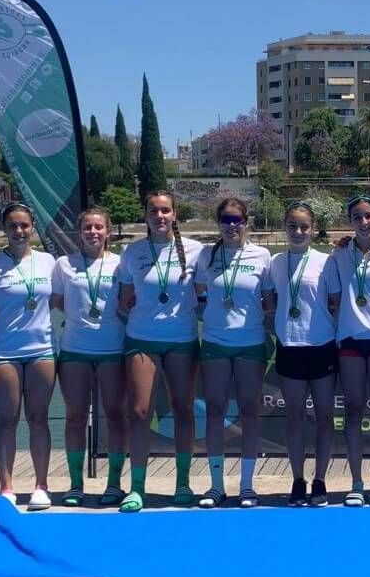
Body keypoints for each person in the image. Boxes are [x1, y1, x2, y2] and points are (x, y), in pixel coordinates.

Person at [116, 190, 204, 508]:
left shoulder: (196, 251)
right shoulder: (132, 251)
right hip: (142, 339)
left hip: (181, 339)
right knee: (140, 412)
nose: (160, 216)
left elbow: (206, 292)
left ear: (175, 214)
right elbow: (124, 299)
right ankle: (137, 487)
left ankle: (183, 484)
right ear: (146, 216)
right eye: (153, 211)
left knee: (183, 409)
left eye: (165, 210)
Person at [0, 202, 58, 510]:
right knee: (7, 420)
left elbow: (59, 300)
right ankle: (6, 487)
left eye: (24, 225)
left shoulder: (48, 262)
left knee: (38, 418)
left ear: (32, 227)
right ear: (4, 229)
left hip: (42, 351)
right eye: (12, 226)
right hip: (5, 352)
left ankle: (41, 486)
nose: (19, 231)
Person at [193, 196, 274, 508]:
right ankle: (216, 486)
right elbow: (197, 295)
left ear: (246, 222)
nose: (231, 225)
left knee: (249, 412)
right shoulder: (206, 255)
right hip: (215, 343)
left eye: (236, 219)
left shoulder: (262, 255)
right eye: (225, 220)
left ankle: (246, 486)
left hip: (250, 343)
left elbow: (269, 302)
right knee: (214, 412)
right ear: (218, 223)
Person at [320, 194, 370, 507]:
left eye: (369, 216)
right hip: (350, 340)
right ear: (350, 221)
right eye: (357, 217)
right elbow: (333, 297)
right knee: (353, 411)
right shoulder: (339, 254)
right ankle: (356, 482)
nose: (364, 222)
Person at [50, 208, 126, 508]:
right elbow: (57, 301)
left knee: (115, 416)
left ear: (108, 231)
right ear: (79, 232)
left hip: (112, 349)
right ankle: (76, 484)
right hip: (75, 350)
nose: (93, 232)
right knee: (75, 417)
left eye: (99, 227)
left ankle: (114, 484)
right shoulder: (63, 264)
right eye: (87, 227)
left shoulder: (120, 263)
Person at [264, 202, 335, 507]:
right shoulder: (275, 262)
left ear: (313, 229)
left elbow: (335, 302)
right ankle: (297, 480)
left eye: (304, 226)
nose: (298, 231)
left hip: (322, 346)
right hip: (289, 347)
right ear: (284, 227)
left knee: (324, 418)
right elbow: (269, 300)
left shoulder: (326, 261)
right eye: (292, 225)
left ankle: (320, 480)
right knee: (294, 417)